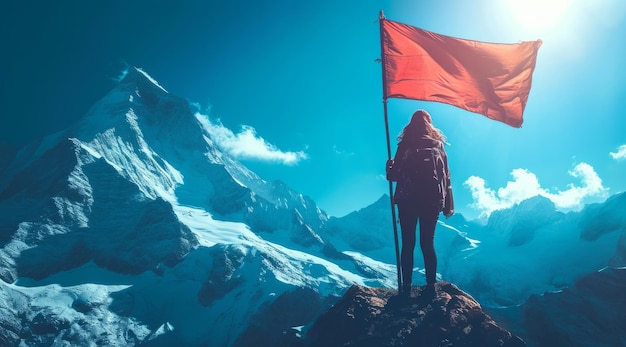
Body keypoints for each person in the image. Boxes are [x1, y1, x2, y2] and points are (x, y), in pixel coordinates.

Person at [386, 109, 454, 295]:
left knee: (408, 243)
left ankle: (406, 288)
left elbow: (394, 176)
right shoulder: (438, 145)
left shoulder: (405, 144)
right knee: (427, 243)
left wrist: (389, 167)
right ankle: (431, 287)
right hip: (432, 200)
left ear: (411, 124)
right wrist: (448, 203)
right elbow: (446, 176)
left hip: (407, 199)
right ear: (429, 124)